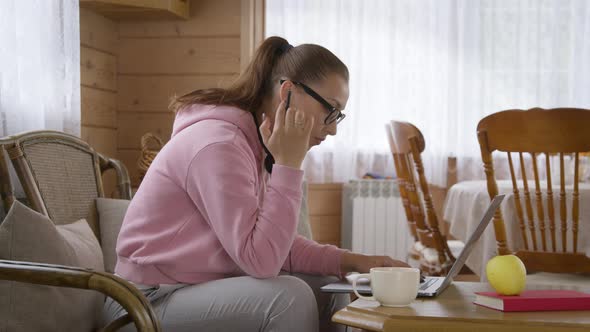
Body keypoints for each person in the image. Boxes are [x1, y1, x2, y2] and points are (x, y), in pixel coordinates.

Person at [104, 36, 409, 332]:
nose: (332, 130)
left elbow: (275, 245)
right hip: (143, 302)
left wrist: (355, 261)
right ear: (287, 92)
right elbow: (260, 261)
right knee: (289, 298)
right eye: (329, 110)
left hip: (190, 289)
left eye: (338, 116)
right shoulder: (219, 145)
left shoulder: (253, 142)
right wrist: (288, 165)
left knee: (330, 285)